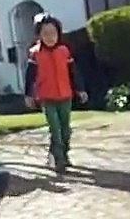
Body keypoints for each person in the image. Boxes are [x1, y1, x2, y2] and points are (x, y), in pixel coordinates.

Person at [23, 12, 88, 173]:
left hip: (65, 95)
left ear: (58, 33)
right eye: (45, 34)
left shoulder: (64, 51)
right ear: (39, 35)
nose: (50, 37)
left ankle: (62, 153)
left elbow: (73, 72)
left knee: (65, 129)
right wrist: (28, 94)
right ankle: (58, 158)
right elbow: (30, 76)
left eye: (53, 33)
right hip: (47, 97)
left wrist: (80, 89)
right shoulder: (35, 53)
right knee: (55, 128)